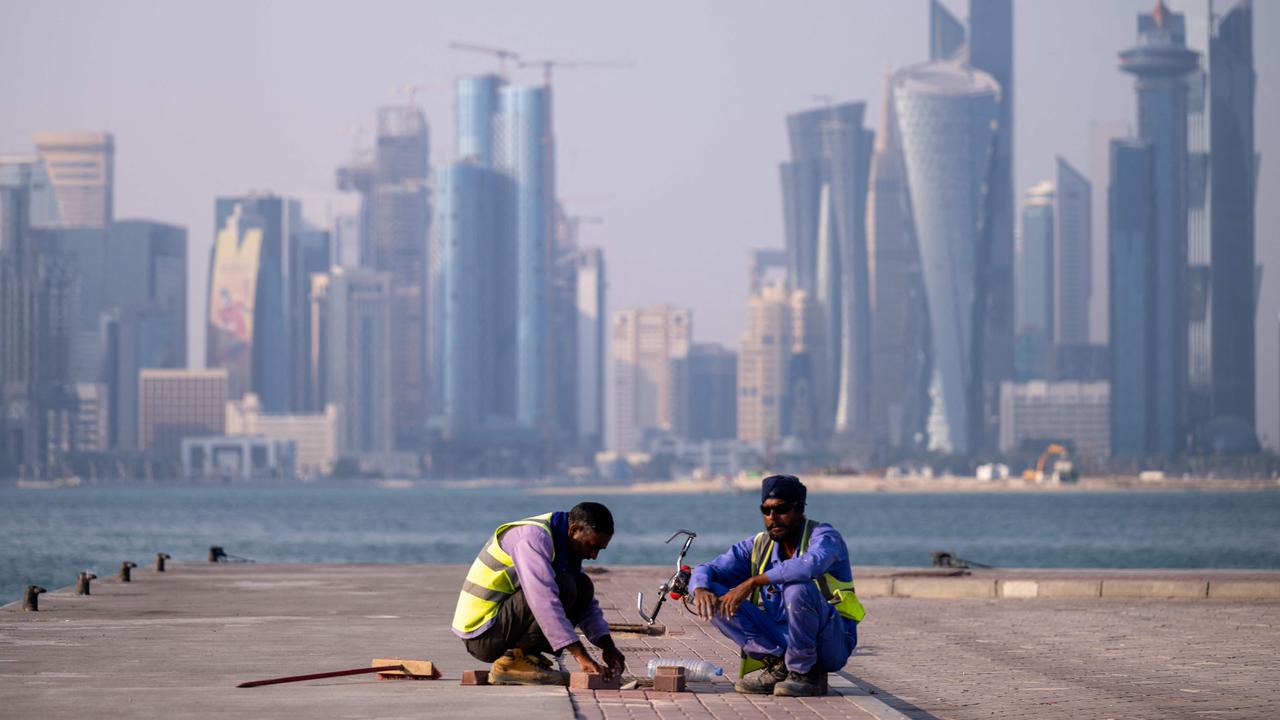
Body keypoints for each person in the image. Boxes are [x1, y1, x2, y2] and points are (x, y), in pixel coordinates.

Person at [689, 475, 865, 696]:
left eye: (781, 509)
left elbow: (809, 567)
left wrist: (753, 582)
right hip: (784, 636)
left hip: (832, 641)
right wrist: (700, 589)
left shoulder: (825, 537)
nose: (772, 518)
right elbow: (707, 568)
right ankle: (779, 665)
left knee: (797, 587)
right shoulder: (757, 545)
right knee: (712, 593)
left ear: (799, 510)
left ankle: (804, 674)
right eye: (766, 510)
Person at [451, 502, 627, 685]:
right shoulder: (533, 538)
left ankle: (526, 657)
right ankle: (512, 663)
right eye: (591, 546)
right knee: (563, 585)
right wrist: (581, 656)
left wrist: (607, 645)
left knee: (582, 585)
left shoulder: (565, 542)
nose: (593, 555)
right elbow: (543, 601)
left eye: (599, 549)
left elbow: (587, 606)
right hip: (483, 634)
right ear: (574, 530)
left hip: (501, 627)